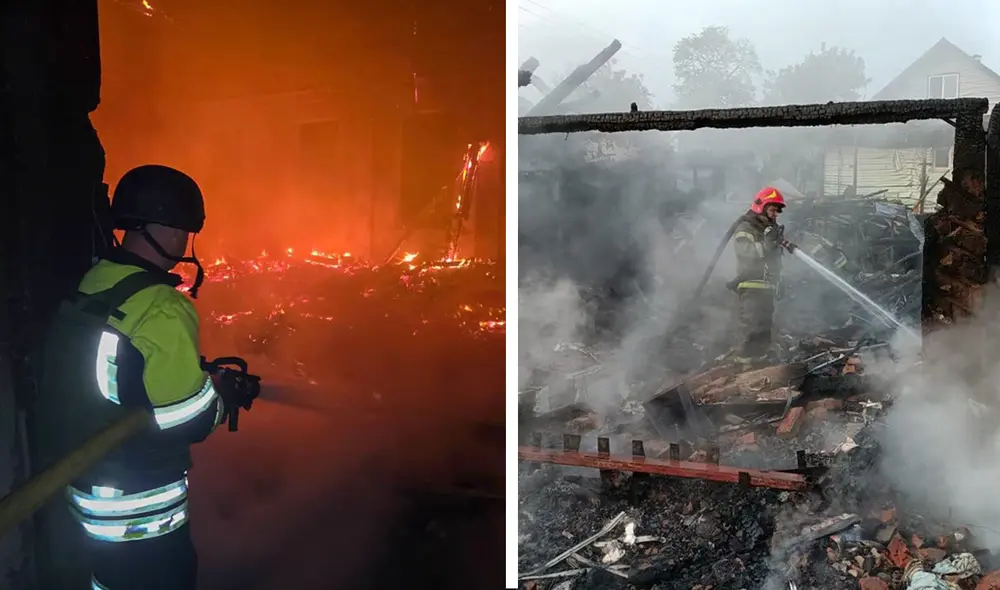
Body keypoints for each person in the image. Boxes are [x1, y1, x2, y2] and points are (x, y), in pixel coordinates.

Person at [33, 164, 224, 590]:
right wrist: (221, 396)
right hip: (144, 520)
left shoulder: (96, 281)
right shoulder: (162, 307)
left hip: (86, 500)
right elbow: (189, 420)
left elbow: (121, 375)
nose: (183, 240)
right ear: (169, 231)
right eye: (183, 229)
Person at [730, 186, 789, 364]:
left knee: (764, 329)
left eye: (777, 211)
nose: (775, 214)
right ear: (760, 206)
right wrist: (767, 243)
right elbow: (745, 252)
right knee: (751, 328)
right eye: (772, 210)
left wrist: (780, 280)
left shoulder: (770, 230)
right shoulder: (746, 227)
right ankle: (744, 366)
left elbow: (775, 260)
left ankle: (760, 364)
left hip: (767, 286)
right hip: (750, 285)